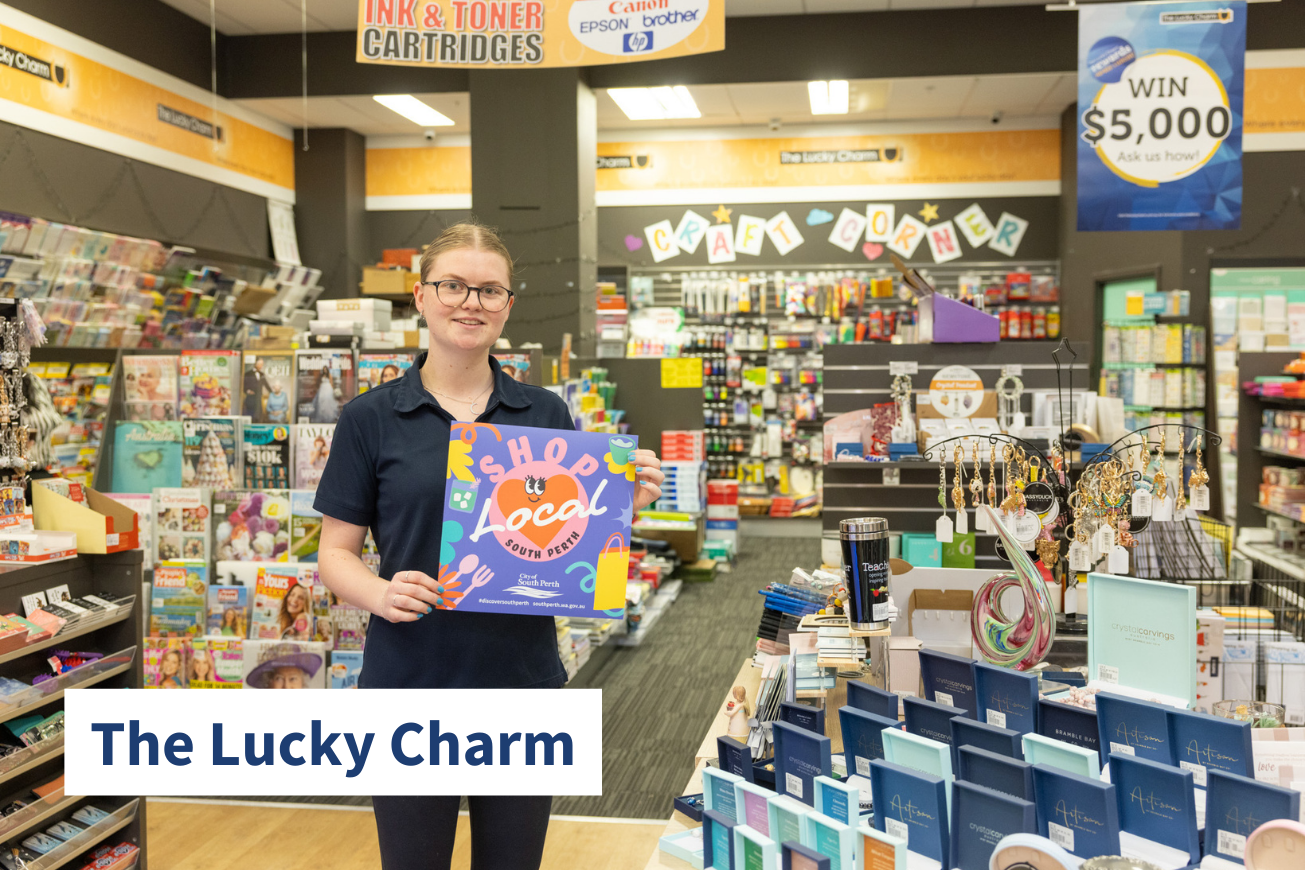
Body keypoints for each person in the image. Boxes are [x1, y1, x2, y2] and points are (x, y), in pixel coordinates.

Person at [315, 220, 664, 870]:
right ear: (420, 296)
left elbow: (564, 542)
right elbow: (335, 553)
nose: (469, 302)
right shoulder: (371, 417)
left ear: (507, 305)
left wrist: (621, 509)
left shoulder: (544, 413)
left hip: (519, 679)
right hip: (410, 681)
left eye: (488, 290)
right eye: (453, 285)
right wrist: (381, 591)